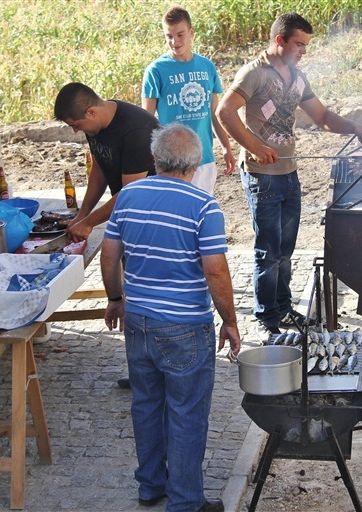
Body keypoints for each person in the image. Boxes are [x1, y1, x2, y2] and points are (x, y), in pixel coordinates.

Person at [100, 123, 241, 512]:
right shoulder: (203, 206)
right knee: (186, 413)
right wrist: (229, 321)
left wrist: (115, 298)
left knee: (145, 404)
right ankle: (184, 502)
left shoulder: (128, 195)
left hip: (138, 321)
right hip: (184, 327)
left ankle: (150, 486)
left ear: (155, 159)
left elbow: (109, 255)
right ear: (195, 166)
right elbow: (215, 271)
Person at [216, 12, 362, 338]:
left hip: (290, 174)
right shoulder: (254, 74)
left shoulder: (297, 77)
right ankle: (267, 318)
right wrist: (255, 147)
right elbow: (224, 111)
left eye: (305, 45)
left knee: (285, 250)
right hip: (263, 177)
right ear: (280, 41)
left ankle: (283, 306)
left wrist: (354, 127)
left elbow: (322, 117)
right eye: (299, 44)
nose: (304, 50)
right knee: (268, 250)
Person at [54, 82, 160, 389]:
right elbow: (100, 168)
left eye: (77, 125)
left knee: (146, 296)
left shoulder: (135, 130)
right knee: (132, 292)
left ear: (91, 111)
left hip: (151, 219)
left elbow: (131, 192)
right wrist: (82, 215)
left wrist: (90, 224)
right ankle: (142, 371)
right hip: (130, 213)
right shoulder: (96, 126)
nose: (77, 131)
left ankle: (156, 371)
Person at [141, 6, 236, 194]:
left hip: (204, 158)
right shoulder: (155, 70)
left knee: (199, 213)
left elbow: (214, 113)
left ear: (191, 32)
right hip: (172, 161)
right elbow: (146, 120)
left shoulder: (207, 66)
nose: (174, 41)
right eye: (168, 36)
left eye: (180, 35)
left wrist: (226, 147)